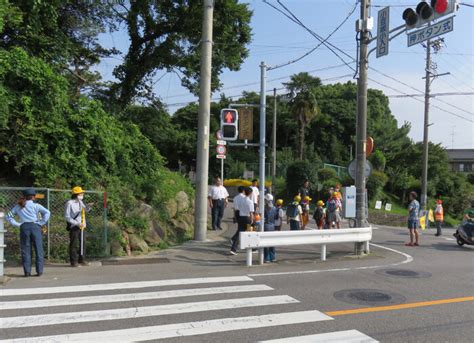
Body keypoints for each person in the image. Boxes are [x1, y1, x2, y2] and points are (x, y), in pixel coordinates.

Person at [6, 188, 50, 277]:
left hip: (24, 227)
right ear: (33, 197)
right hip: (35, 227)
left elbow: (8, 216)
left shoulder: (19, 206)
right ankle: (39, 271)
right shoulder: (36, 206)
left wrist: (17, 224)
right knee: (38, 249)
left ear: (24, 196)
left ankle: (27, 272)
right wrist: (41, 223)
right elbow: (47, 212)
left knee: (26, 250)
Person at [65, 186, 92, 267]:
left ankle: (82, 260)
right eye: (81, 193)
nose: (82, 194)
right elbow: (67, 217)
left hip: (82, 226)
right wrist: (77, 223)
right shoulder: (69, 203)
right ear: (76, 194)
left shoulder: (81, 202)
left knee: (83, 243)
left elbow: (86, 211)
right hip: (74, 226)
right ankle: (73, 262)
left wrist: (89, 207)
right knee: (74, 244)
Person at [230, 187, 254, 255]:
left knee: (239, 233)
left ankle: (233, 249)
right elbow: (251, 213)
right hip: (247, 218)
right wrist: (252, 220)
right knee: (251, 232)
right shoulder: (250, 201)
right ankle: (252, 248)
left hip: (241, 218)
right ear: (250, 193)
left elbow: (238, 208)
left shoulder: (241, 200)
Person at [263, 194, 277, 263]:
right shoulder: (274, 208)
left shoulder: (264, 208)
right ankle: (273, 257)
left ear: (266, 200)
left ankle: (267, 258)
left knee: (265, 243)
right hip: (272, 226)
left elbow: (263, 218)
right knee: (272, 242)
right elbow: (276, 217)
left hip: (266, 226)